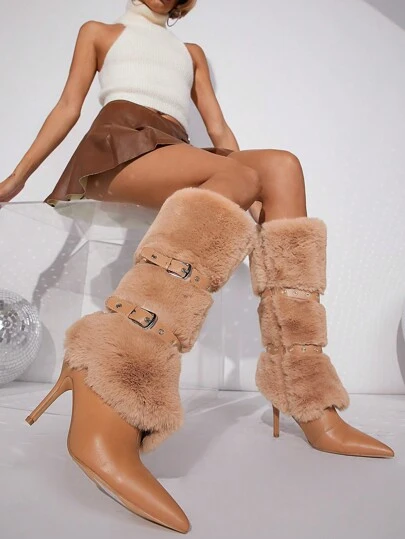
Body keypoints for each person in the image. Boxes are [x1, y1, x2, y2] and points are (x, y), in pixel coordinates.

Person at [2, 0, 394, 534]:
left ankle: (305, 391)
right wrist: (17, 178)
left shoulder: (191, 52)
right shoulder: (101, 32)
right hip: (118, 150)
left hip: (174, 148)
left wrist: (253, 189)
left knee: (281, 167)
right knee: (246, 177)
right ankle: (110, 375)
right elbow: (68, 107)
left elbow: (219, 128)